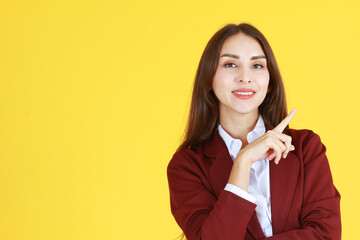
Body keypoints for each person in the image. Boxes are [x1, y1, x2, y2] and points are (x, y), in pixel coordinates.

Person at [167, 23, 341, 240]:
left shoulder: (306, 147)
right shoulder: (187, 166)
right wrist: (244, 160)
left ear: (270, 82)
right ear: (208, 78)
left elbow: (326, 235)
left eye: (257, 65)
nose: (245, 77)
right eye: (230, 64)